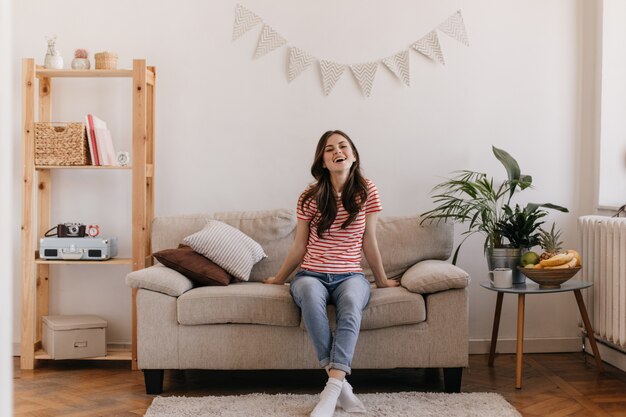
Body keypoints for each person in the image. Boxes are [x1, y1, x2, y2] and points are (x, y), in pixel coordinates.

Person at [263, 130, 399, 417]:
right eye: (329, 149)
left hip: (351, 275)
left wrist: (383, 280)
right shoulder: (310, 196)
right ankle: (340, 388)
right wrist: (279, 278)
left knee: (351, 305)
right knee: (311, 298)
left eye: (343, 146)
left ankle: (331, 390)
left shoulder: (367, 191)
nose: (337, 150)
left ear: (353, 155)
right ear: (323, 161)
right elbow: (299, 245)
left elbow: (369, 241)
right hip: (310, 274)